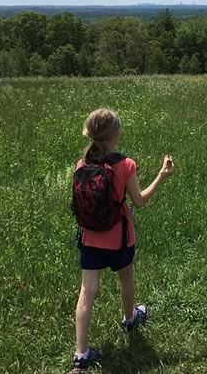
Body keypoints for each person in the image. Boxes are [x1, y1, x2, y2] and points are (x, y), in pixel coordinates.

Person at [70, 108, 174, 371]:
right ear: (114, 134)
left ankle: (81, 354)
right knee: (125, 278)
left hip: (90, 238)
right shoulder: (125, 165)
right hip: (119, 239)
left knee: (87, 292)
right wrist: (161, 175)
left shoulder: (82, 164)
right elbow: (139, 202)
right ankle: (130, 318)